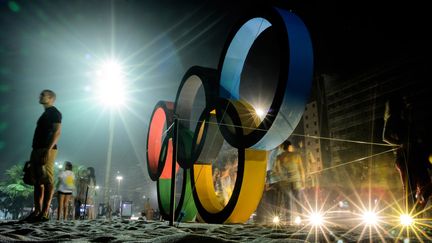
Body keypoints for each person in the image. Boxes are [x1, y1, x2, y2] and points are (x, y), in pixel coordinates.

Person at [382, 95, 432, 216]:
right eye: (403, 102)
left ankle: (417, 211)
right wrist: (400, 143)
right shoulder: (392, 118)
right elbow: (385, 137)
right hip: (403, 157)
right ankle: (412, 215)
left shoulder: (407, 119)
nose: (406, 103)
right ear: (397, 105)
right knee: (410, 189)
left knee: (427, 184)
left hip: (417, 157)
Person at [21, 89, 62, 223]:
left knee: (47, 180)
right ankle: (37, 212)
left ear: (51, 98)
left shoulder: (54, 112)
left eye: (43, 95)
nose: (40, 96)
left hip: (46, 149)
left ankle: (44, 213)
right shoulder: (45, 114)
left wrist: (47, 150)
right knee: (38, 182)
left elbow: (57, 133)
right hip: (37, 149)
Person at [275, 140, 305, 223]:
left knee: (287, 201)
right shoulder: (296, 155)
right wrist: (303, 181)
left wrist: (282, 176)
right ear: (289, 146)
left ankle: (288, 220)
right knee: (298, 200)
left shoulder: (279, 157)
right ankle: (302, 219)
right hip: (296, 180)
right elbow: (301, 169)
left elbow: (276, 170)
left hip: (285, 181)